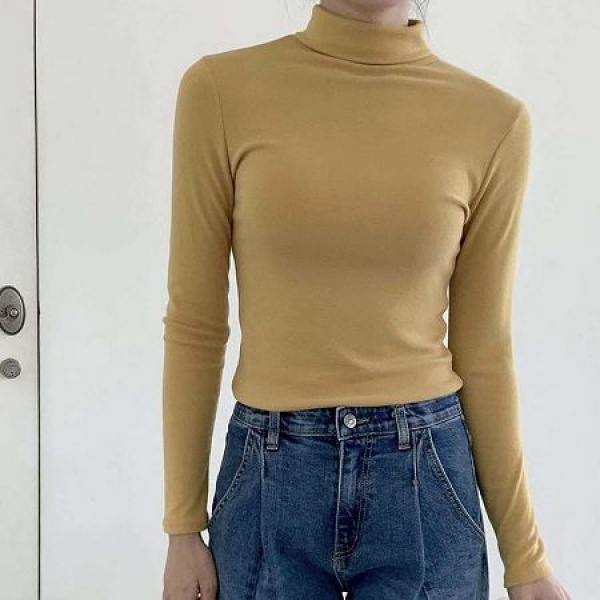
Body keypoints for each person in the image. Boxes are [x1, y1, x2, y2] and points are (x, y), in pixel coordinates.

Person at [161, 2, 572, 599]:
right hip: (269, 480)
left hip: (426, 480)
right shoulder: (220, 91)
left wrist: (526, 558)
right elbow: (195, 324)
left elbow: (485, 351)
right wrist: (182, 526)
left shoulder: (494, 121)